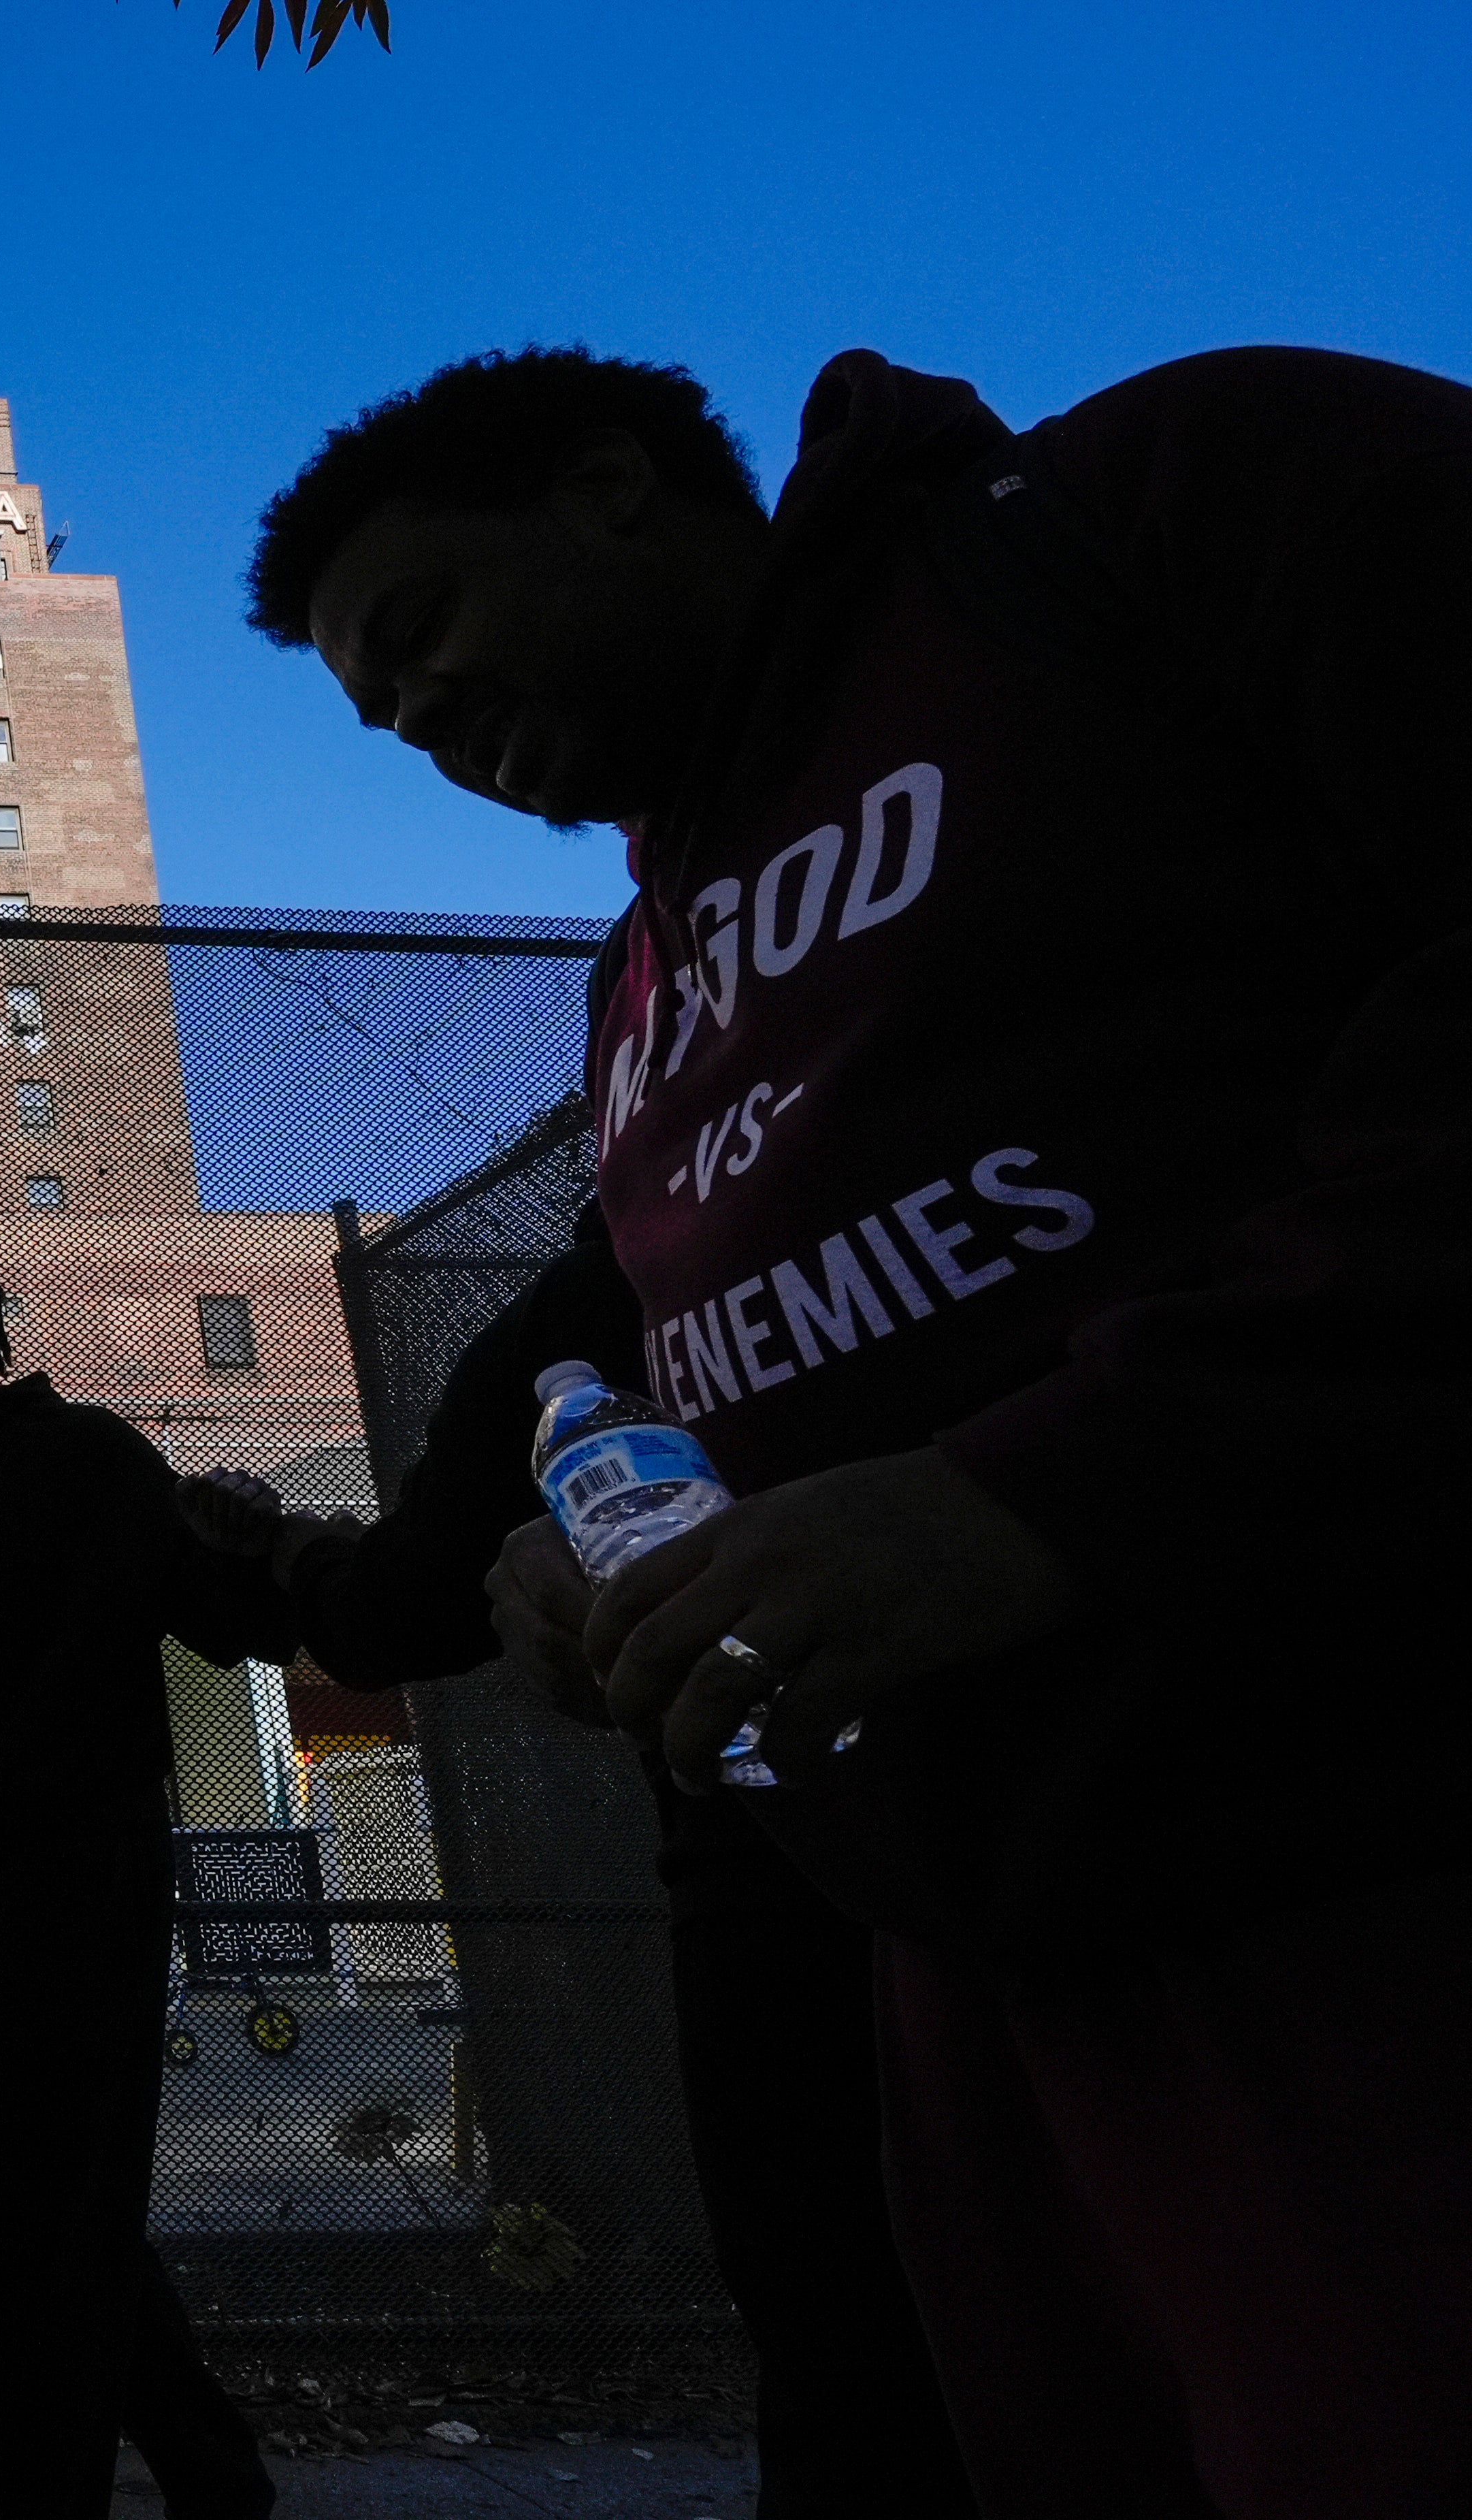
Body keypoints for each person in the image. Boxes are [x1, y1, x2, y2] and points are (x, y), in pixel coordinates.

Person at [244, 341, 1472, 2515]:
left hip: (1342, 1832)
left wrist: (1041, 1494)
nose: (418, 726)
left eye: (418, 636)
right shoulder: (638, 977)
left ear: (607, 488)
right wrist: (585, 1518)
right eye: (376, 718)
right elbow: (681, 1342)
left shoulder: (1149, 511)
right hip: (982, 1942)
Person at [188, 1204, 975, 2518]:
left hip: (794, 1878)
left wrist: (287, 1548)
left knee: (862, 2338)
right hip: (1084, 1832)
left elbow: (398, 1611)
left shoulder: (601, 1301)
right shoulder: (989, 1174)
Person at [0, 1213, 280, 2520]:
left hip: (81, 1885)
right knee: (60, 2216)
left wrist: (251, 1539)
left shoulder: (91, 1460)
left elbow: (228, 1612)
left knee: (27, 2235)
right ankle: (213, 2471)